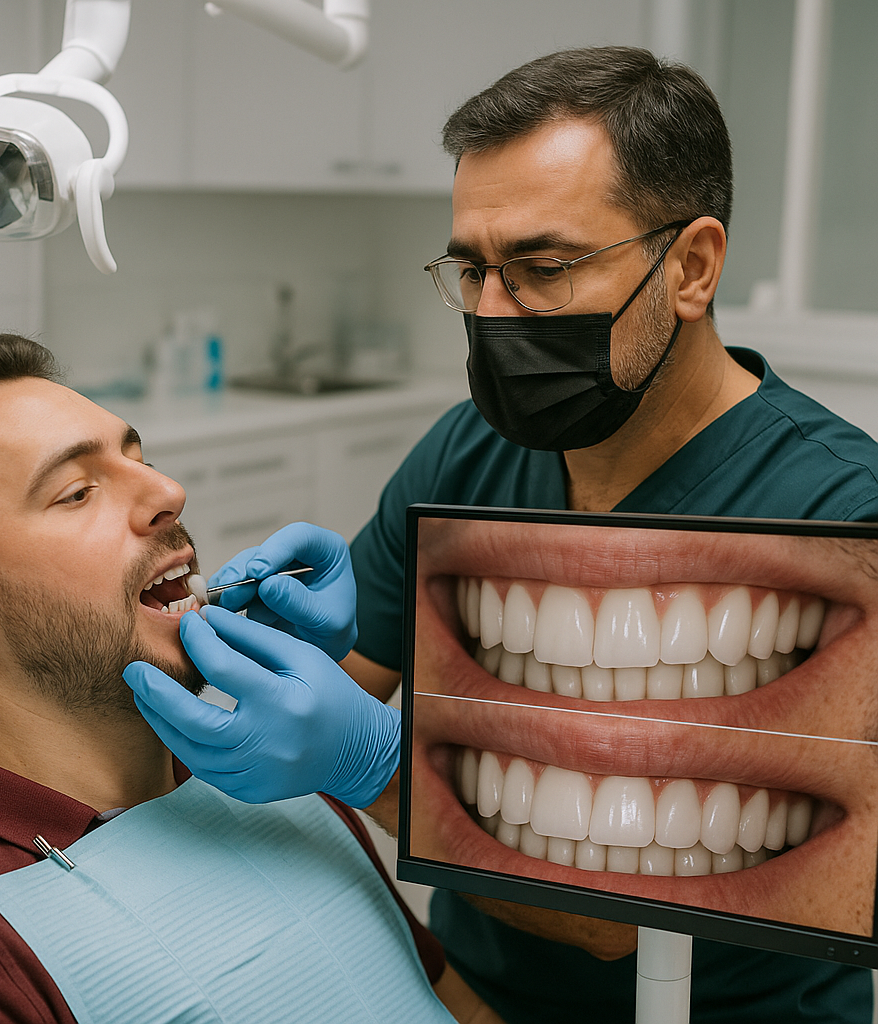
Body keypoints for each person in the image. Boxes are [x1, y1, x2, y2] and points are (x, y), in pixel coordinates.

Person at [336, 45, 878, 1023]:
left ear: (692, 267)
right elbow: (328, 681)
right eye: (471, 271)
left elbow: (618, 911)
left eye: (542, 268)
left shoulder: (838, 517)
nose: (494, 315)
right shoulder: (466, 453)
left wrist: (372, 764)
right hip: (473, 997)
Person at [0, 334, 501, 1024]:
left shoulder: (288, 780)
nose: (168, 492)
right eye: (76, 492)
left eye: (142, 459)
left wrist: (376, 766)